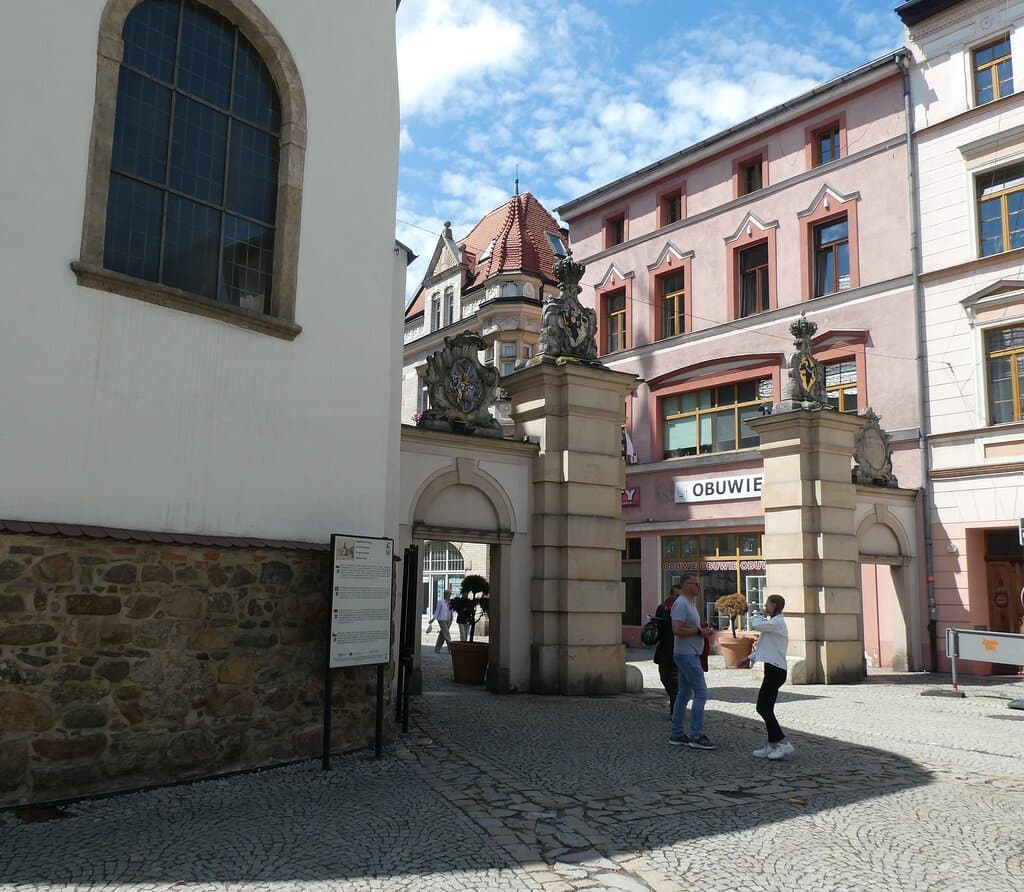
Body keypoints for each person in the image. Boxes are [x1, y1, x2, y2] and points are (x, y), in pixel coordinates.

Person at [669, 573, 715, 750]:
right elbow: (677, 629)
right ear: (686, 585)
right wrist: (699, 632)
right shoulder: (681, 603)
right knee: (701, 693)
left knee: (684, 694)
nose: (698, 587)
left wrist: (701, 630)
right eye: (695, 584)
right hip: (686, 654)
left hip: (689, 653)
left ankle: (677, 733)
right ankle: (696, 734)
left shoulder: (690, 603)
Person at [749, 594, 794, 760]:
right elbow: (764, 646)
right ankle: (772, 744)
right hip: (772, 669)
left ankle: (783, 743)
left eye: (767, 603)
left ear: (774, 605)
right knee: (765, 707)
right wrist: (749, 658)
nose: (765, 605)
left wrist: (758, 613)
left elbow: (756, 624)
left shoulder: (777, 622)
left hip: (776, 670)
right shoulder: (773, 623)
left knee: (763, 707)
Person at [652, 585, 681, 717]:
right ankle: (675, 705)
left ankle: (675, 712)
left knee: (675, 683)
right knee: (665, 679)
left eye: (680, 596)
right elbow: (657, 628)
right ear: (670, 595)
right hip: (664, 651)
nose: (678, 599)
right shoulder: (662, 608)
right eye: (676, 595)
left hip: (679, 651)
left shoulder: (684, 609)